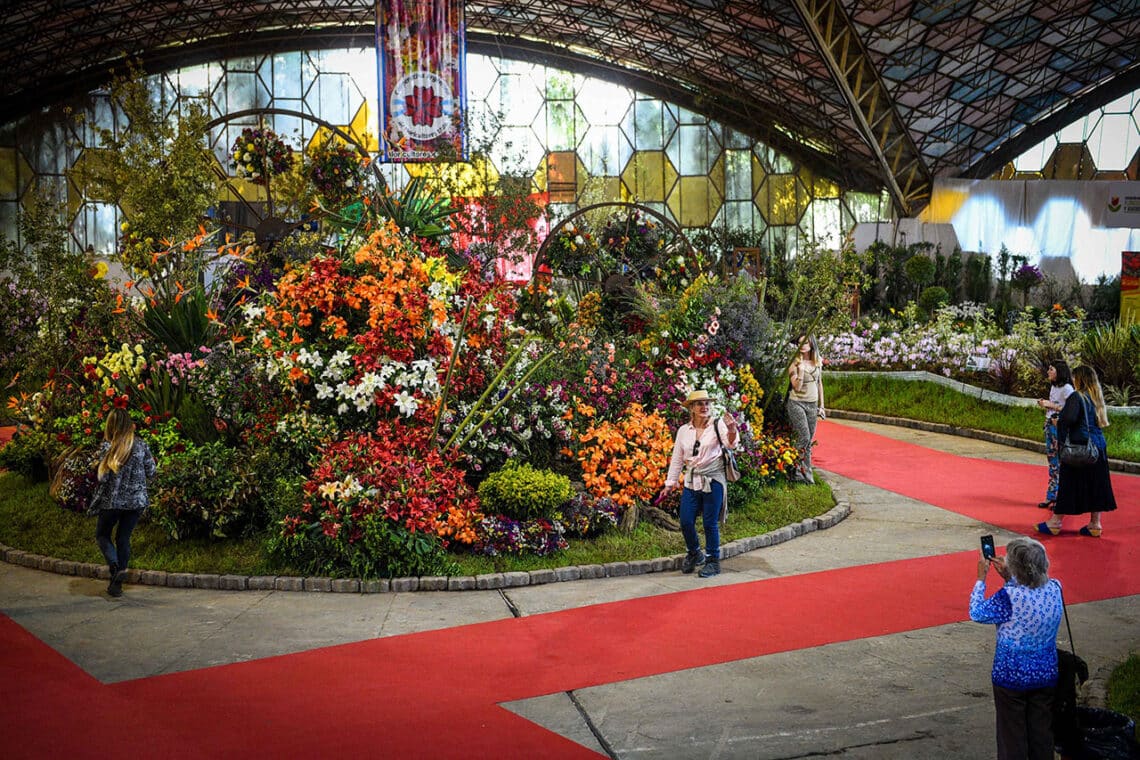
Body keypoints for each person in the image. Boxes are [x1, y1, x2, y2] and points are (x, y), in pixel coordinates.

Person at [970, 536, 1063, 760]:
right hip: (1045, 672)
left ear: (1016, 568)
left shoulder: (1009, 597)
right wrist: (1010, 579)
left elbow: (977, 612)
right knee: (1041, 733)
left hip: (1011, 676)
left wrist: (981, 579)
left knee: (1012, 737)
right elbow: (1030, 596)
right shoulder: (1055, 588)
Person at [659, 389, 738, 578]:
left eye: (707, 403)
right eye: (699, 404)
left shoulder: (717, 425)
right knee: (686, 521)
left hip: (713, 479)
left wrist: (733, 430)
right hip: (691, 480)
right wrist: (670, 483)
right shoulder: (684, 431)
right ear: (692, 408)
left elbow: (730, 444)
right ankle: (695, 553)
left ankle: (713, 561)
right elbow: (677, 458)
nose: (704, 407)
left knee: (710, 523)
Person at [1037, 365, 1116, 537]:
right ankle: (1095, 524)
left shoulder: (1077, 397)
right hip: (1097, 447)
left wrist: (1058, 423)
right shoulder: (1096, 398)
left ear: (1080, 379)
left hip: (1079, 446)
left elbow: (1069, 418)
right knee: (1096, 484)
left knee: (1069, 483)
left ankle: (1055, 522)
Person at [93, 408, 156, 597]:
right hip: (136, 502)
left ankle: (114, 565)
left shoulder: (107, 447)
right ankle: (117, 581)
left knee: (102, 535)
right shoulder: (141, 445)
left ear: (110, 425)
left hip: (112, 502)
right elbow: (151, 472)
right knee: (123, 538)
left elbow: (102, 478)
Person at [786, 334, 825, 484]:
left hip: (813, 404)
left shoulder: (817, 361)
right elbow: (796, 386)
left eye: (806, 342)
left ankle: (807, 476)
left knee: (808, 442)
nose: (802, 345)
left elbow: (819, 383)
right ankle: (794, 469)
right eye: (800, 342)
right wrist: (801, 371)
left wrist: (822, 406)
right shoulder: (794, 363)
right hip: (797, 403)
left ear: (811, 343)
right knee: (804, 437)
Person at [1035, 361, 1073, 510]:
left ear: (1059, 371)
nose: (1048, 372)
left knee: (1061, 462)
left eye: (1051, 369)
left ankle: (1062, 496)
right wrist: (1046, 404)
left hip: (1060, 427)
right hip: (1050, 424)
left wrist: (1051, 405)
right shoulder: (1054, 387)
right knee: (1053, 461)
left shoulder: (1067, 389)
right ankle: (1052, 495)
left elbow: (1071, 408)